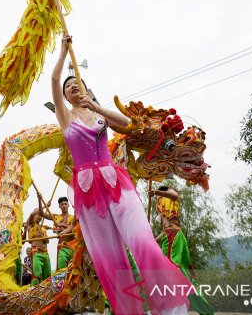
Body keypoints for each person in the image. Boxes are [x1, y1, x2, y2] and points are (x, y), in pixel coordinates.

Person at [51, 35, 189, 315]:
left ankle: (169, 305)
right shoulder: (66, 118)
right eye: (68, 87)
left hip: (115, 183)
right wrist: (64, 53)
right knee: (110, 257)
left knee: (143, 241)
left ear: (87, 89)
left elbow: (128, 125)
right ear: (64, 96)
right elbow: (54, 82)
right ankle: (131, 311)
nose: (71, 86)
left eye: (76, 83)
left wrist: (96, 106)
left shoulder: (99, 116)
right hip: (89, 192)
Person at [151, 186, 214, 315]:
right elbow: (164, 230)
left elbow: (174, 195)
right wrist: (153, 240)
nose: (158, 198)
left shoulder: (170, 196)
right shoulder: (163, 209)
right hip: (170, 234)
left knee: (170, 268)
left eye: (158, 196)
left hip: (173, 235)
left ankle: (174, 302)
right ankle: (192, 301)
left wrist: (156, 191)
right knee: (174, 270)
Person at [38, 196, 76, 270]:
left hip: (72, 246)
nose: (64, 206)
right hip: (62, 246)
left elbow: (74, 228)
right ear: (59, 206)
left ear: (68, 205)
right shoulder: (55, 216)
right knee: (61, 269)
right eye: (62, 204)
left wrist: (61, 225)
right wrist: (40, 200)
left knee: (74, 269)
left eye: (65, 204)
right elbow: (42, 214)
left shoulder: (73, 218)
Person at [24, 209, 51, 285]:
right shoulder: (30, 224)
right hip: (36, 252)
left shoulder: (43, 228)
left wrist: (42, 237)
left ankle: (47, 293)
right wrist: (41, 207)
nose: (40, 216)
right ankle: (34, 293)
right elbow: (32, 214)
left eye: (41, 215)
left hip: (45, 252)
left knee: (47, 275)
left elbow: (47, 241)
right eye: (38, 214)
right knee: (37, 274)